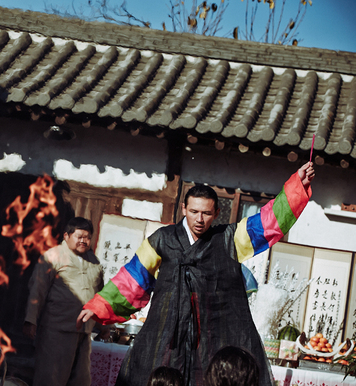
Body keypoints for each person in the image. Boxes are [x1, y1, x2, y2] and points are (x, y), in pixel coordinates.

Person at [77, 162, 315, 386]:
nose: (199, 220)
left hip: (215, 336)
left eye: (207, 214)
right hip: (167, 336)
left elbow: (268, 222)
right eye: (193, 212)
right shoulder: (162, 240)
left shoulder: (229, 238)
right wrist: (100, 305)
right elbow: (133, 278)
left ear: (217, 212)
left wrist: (297, 187)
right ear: (184, 209)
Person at [23, 217, 104, 386]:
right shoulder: (53, 256)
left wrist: (104, 326)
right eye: (79, 236)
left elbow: (101, 295)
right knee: (51, 378)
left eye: (87, 237)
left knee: (80, 380)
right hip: (56, 328)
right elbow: (37, 289)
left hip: (84, 330)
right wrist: (30, 320)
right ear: (66, 236)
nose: (84, 240)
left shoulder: (94, 261)